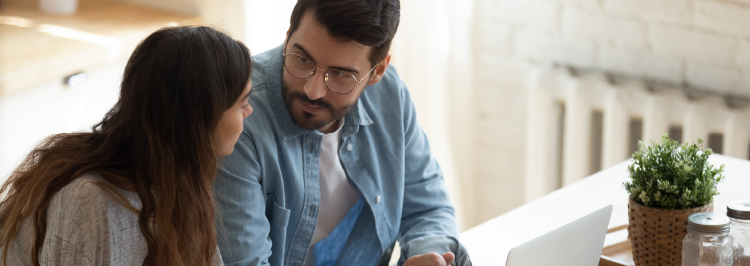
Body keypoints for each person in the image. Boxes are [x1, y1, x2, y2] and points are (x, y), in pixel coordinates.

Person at [214, 0, 472, 265]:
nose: (313, 90)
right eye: (302, 59)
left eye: (340, 75)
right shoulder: (237, 119)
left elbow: (427, 208)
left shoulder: (391, 96)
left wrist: (426, 255)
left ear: (377, 71)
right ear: (288, 35)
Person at [0, 26, 253, 266]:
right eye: (242, 103)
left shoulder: (182, 181)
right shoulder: (86, 199)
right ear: (201, 118)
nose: (249, 111)